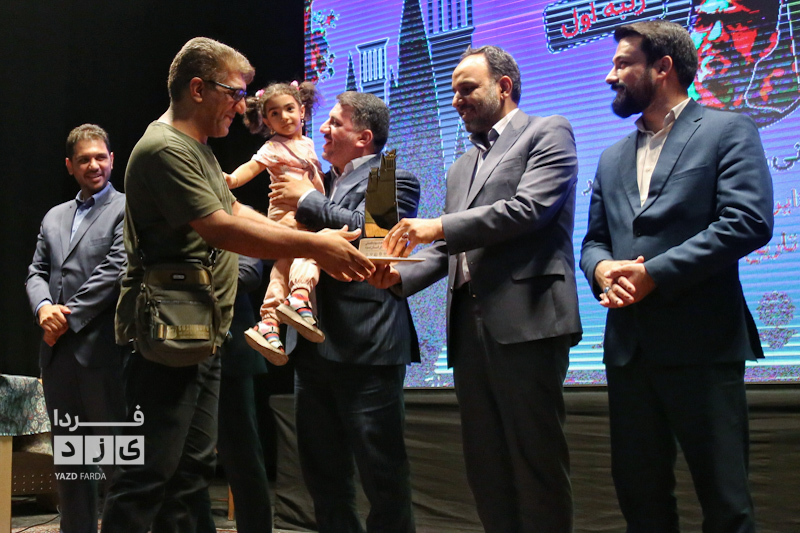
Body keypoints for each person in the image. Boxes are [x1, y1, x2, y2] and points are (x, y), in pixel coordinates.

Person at [101, 37, 373, 533]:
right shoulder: (165, 148)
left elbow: (234, 210)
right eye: (236, 93)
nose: (243, 106)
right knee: (147, 475)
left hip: (200, 332)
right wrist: (313, 245)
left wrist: (306, 238)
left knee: (189, 473)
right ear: (198, 89)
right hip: (166, 333)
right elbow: (221, 228)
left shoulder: (198, 150)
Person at [371, 46, 582, 532]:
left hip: (528, 320)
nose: (455, 101)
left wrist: (437, 225)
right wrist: (398, 275)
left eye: (466, 88)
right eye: (452, 92)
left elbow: (529, 210)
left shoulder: (548, 131)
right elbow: (451, 248)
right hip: (468, 328)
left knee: (536, 462)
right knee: (486, 466)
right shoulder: (461, 165)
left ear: (503, 87)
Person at [580, 20, 774, 532]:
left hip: (704, 347)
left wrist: (655, 275)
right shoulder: (611, 157)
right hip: (629, 352)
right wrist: (602, 268)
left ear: (663, 67)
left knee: (726, 506)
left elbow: (748, 222)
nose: (610, 76)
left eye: (623, 63)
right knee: (641, 505)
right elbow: (594, 241)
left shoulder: (728, 130)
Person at [269, 91, 420, 533]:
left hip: (367, 346)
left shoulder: (393, 175)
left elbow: (374, 240)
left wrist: (306, 200)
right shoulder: (317, 181)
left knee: (382, 476)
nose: (322, 128)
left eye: (335, 122)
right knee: (323, 478)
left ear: (364, 137)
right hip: (311, 347)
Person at [25, 124, 126, 533]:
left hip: (104, 353)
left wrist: (63, 320)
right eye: (84, 159)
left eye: (100, 157)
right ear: (70, 165)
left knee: (117, 462)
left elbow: (115, 270)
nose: (94, 165)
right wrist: (43, 310)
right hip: (59, 358)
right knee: (72, 465)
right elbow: (36, 271)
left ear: (112, 159)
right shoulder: (54, 216)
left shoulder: (126, 209)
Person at [226, 81, 326, 364]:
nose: (284, 117)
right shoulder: (273, 147)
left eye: (289, 109)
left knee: (283, 267)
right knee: (311, 250)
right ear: (266, 122)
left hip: (305, 212)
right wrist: (232, 179)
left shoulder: (307, 143)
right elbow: (252, 166)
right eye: (275, 113)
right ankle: (300, 295)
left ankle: (268, 322)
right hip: (288, 215)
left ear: (302, 111)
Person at [689, 0, 799, 126]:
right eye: (704, 22)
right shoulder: (672, 122)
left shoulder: (768, 125)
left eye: (735, 22)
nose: (716, 36)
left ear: (769, 41)